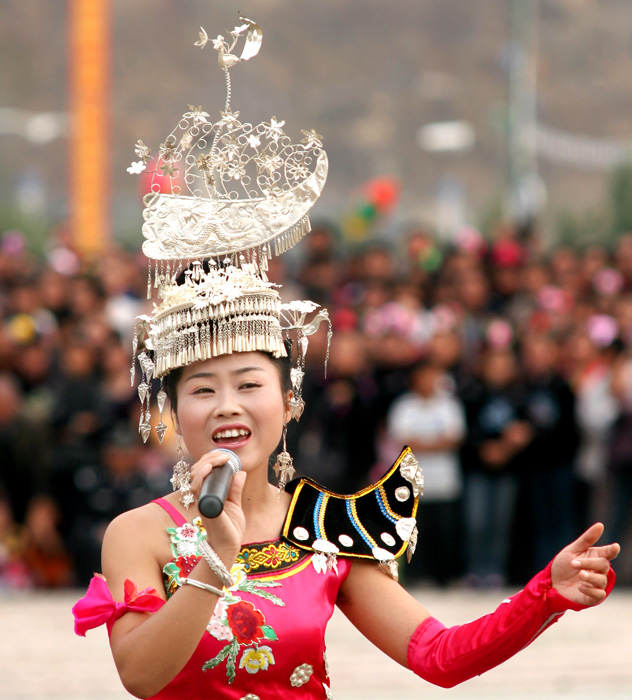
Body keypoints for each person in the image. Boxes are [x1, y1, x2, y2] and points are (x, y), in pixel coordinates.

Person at [72, 16, 620, 700]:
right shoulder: (140, 533)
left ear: (289, 401)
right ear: (174, 410)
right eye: (202, 390)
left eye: (248, 383)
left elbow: (438, 656)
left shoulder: (328, 529)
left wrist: (546, 594)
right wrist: (213, 557)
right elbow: (140, 675)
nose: (228, 405)